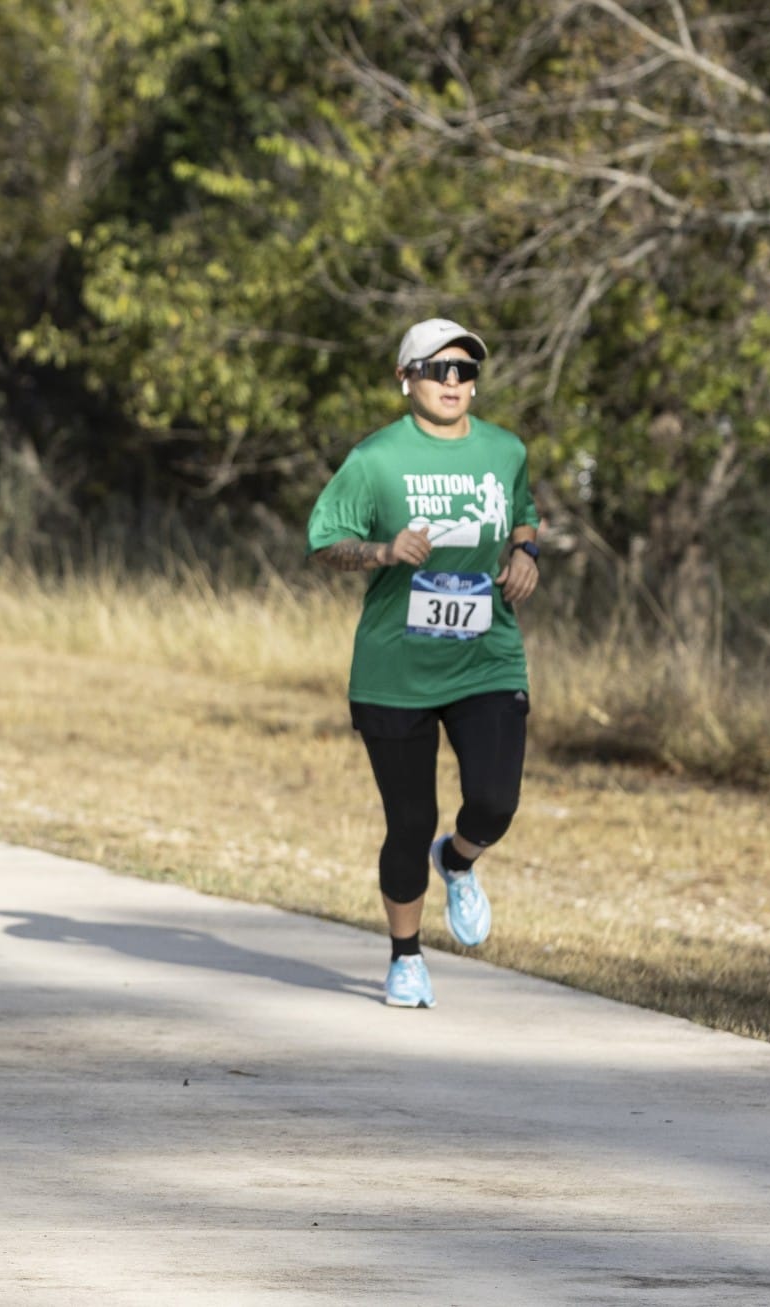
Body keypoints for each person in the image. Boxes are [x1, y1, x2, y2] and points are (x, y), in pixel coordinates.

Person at [306, 320, 540, 1010]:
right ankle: (405, 957)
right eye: (438, 369)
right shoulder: (375, 458)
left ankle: (458, 859)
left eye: (465, 371)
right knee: (409, 821)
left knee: (495, 801)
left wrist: (526, 552)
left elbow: (523, 512)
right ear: (406, 378)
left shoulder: (505, 450)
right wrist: (382, 552)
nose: (453, 382)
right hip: (396, 668)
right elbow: (324, 541)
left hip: (485, 658)